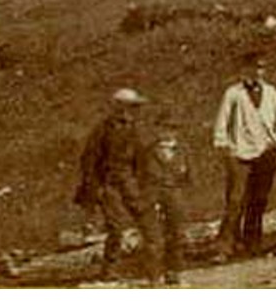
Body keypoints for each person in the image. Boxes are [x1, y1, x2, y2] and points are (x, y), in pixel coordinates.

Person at [76, 88, 160, 283]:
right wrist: (95, 188)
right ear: (119, 107)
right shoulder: (103, 129)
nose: (134, 111)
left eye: (136, 107)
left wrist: (144, 187)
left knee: (149, 224)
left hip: (130, 182)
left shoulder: (136, 128)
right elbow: (88, 161)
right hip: (109, 184)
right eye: (131, 106)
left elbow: (142, 160)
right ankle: (109, 271)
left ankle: (154, 272)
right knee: (116, 227)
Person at [212, 51, 276, 260]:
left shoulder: (272, 93)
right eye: (254, 67)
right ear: (245, 69)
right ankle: (225, 246)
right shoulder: (234, 93)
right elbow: (221, 123)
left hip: (265, 153)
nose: (258, 72)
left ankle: (252, 244)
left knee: (259, 200)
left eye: (262, 68)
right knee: (236, 200)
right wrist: (225, 148)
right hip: (240, 153)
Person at [143, 118, 190, 285]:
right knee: (155, 237)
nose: (167, 133)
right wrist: (150, 198)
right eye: (163, 128)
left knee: (177, 233)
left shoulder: (183, 150)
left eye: (171, 129)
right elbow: (143, 176)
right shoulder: (148, 151)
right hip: (153, 196)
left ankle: (175, 271)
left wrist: (180, 193)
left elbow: (189, 176)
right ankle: (154, 274)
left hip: (175, 195)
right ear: (157, 130)